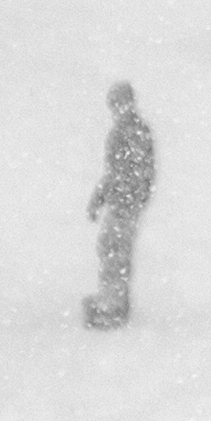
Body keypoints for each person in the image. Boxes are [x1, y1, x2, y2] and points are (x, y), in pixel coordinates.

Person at [86, 80, 158, 331]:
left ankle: (113, 306)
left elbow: (128, 172)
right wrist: (100, 197)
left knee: (114, 249)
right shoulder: (130, 130)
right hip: (124, 200)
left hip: (125, 202)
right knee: (112, 247)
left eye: (118, 103)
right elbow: (117, 171)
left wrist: (128, 197)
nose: (115, 109)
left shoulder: (130, 131)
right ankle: (115, 300)